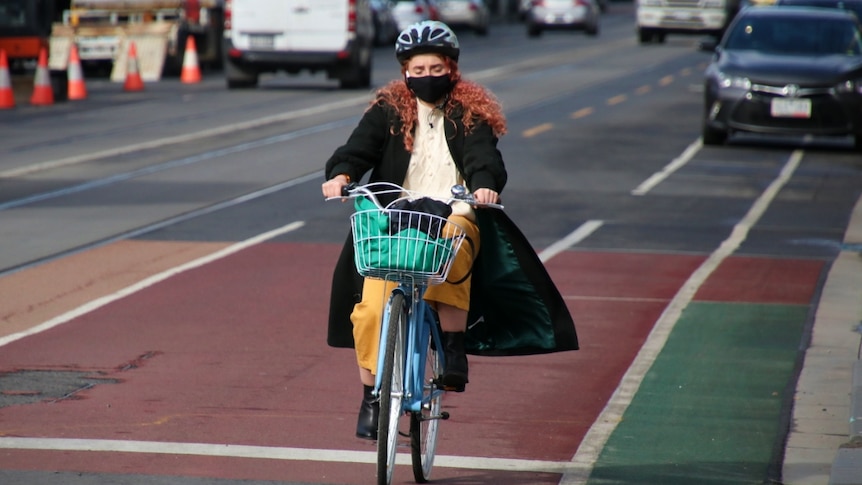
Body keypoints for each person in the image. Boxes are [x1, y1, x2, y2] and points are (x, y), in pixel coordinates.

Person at [322, 20, 578, 441]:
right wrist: (341, 174)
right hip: (396, 213)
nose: (425, 78)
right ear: (405, 72)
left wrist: (484, 184)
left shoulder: (469, 112)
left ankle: (453, 346)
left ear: (452, 69)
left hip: (453, 208)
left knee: (455, 244)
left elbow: (483, 156)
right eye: (417, 71)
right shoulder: (388, 109)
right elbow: (355, 150)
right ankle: (371, 396)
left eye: (435, 69)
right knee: (369, 308)